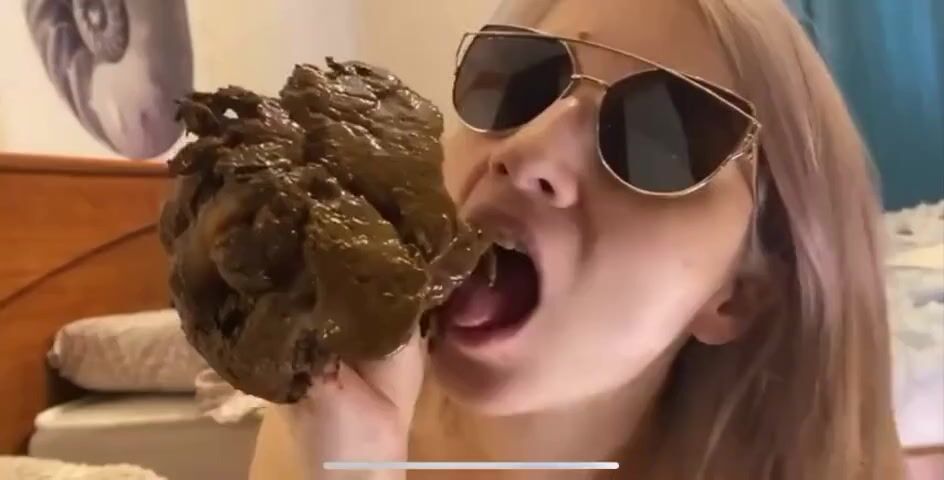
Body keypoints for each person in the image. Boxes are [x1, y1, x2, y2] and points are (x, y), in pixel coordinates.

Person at [249, 0, 907, 478]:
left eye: (660, 138)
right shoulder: (331, 413)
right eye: (518, 83)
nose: (528, 149)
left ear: (740, 294)